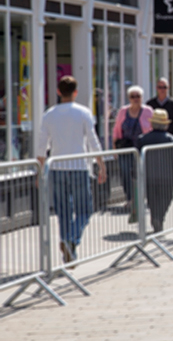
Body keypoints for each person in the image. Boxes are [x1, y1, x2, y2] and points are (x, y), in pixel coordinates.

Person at [37, 75, 107, 264]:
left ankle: (68, 245)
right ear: (75, 92)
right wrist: (101, 164)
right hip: (79, 167)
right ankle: (71, 241)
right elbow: (93, 141)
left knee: (63, 212)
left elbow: (42, 145)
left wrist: (39, 170)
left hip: (57, 167)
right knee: (84, 209)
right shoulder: (83, 112)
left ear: (59, 92)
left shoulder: (49, 114)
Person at [136, 109, 173, 233]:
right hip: (166, 177)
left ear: (152, 124)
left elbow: (136, 159)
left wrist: (135, 173)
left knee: (152, 200)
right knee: (167, 198)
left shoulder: (143, 139)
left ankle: (156, 218)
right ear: (165, 124)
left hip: (149, 176)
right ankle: (159, 218)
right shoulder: (172, 140)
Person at [113, 85, 154, 211]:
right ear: (128, 98)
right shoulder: (123, 111)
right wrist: (114, 147)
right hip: (125, 148)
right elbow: (116, 129)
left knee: (141, 174)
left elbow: (152, 128)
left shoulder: (148, 111)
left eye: (138, 96)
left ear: (142, 98)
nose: (135, 99)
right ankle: (130, 199)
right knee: (126, 174)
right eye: (132, 96)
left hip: (142, 149)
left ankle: (140, 198)